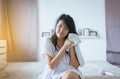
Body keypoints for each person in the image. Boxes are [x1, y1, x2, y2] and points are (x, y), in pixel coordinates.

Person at [41, 14, 85, 79]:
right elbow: (51, 66)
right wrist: (65, 46)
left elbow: (75, 66)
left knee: (70, 75)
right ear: (56, 25)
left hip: (69, 72)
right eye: (60, 26)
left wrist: (71, 46)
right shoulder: (48, 41)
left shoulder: (71, 41)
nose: (61, 30)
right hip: (54, 73)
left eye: (65, 28)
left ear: (69, 31)